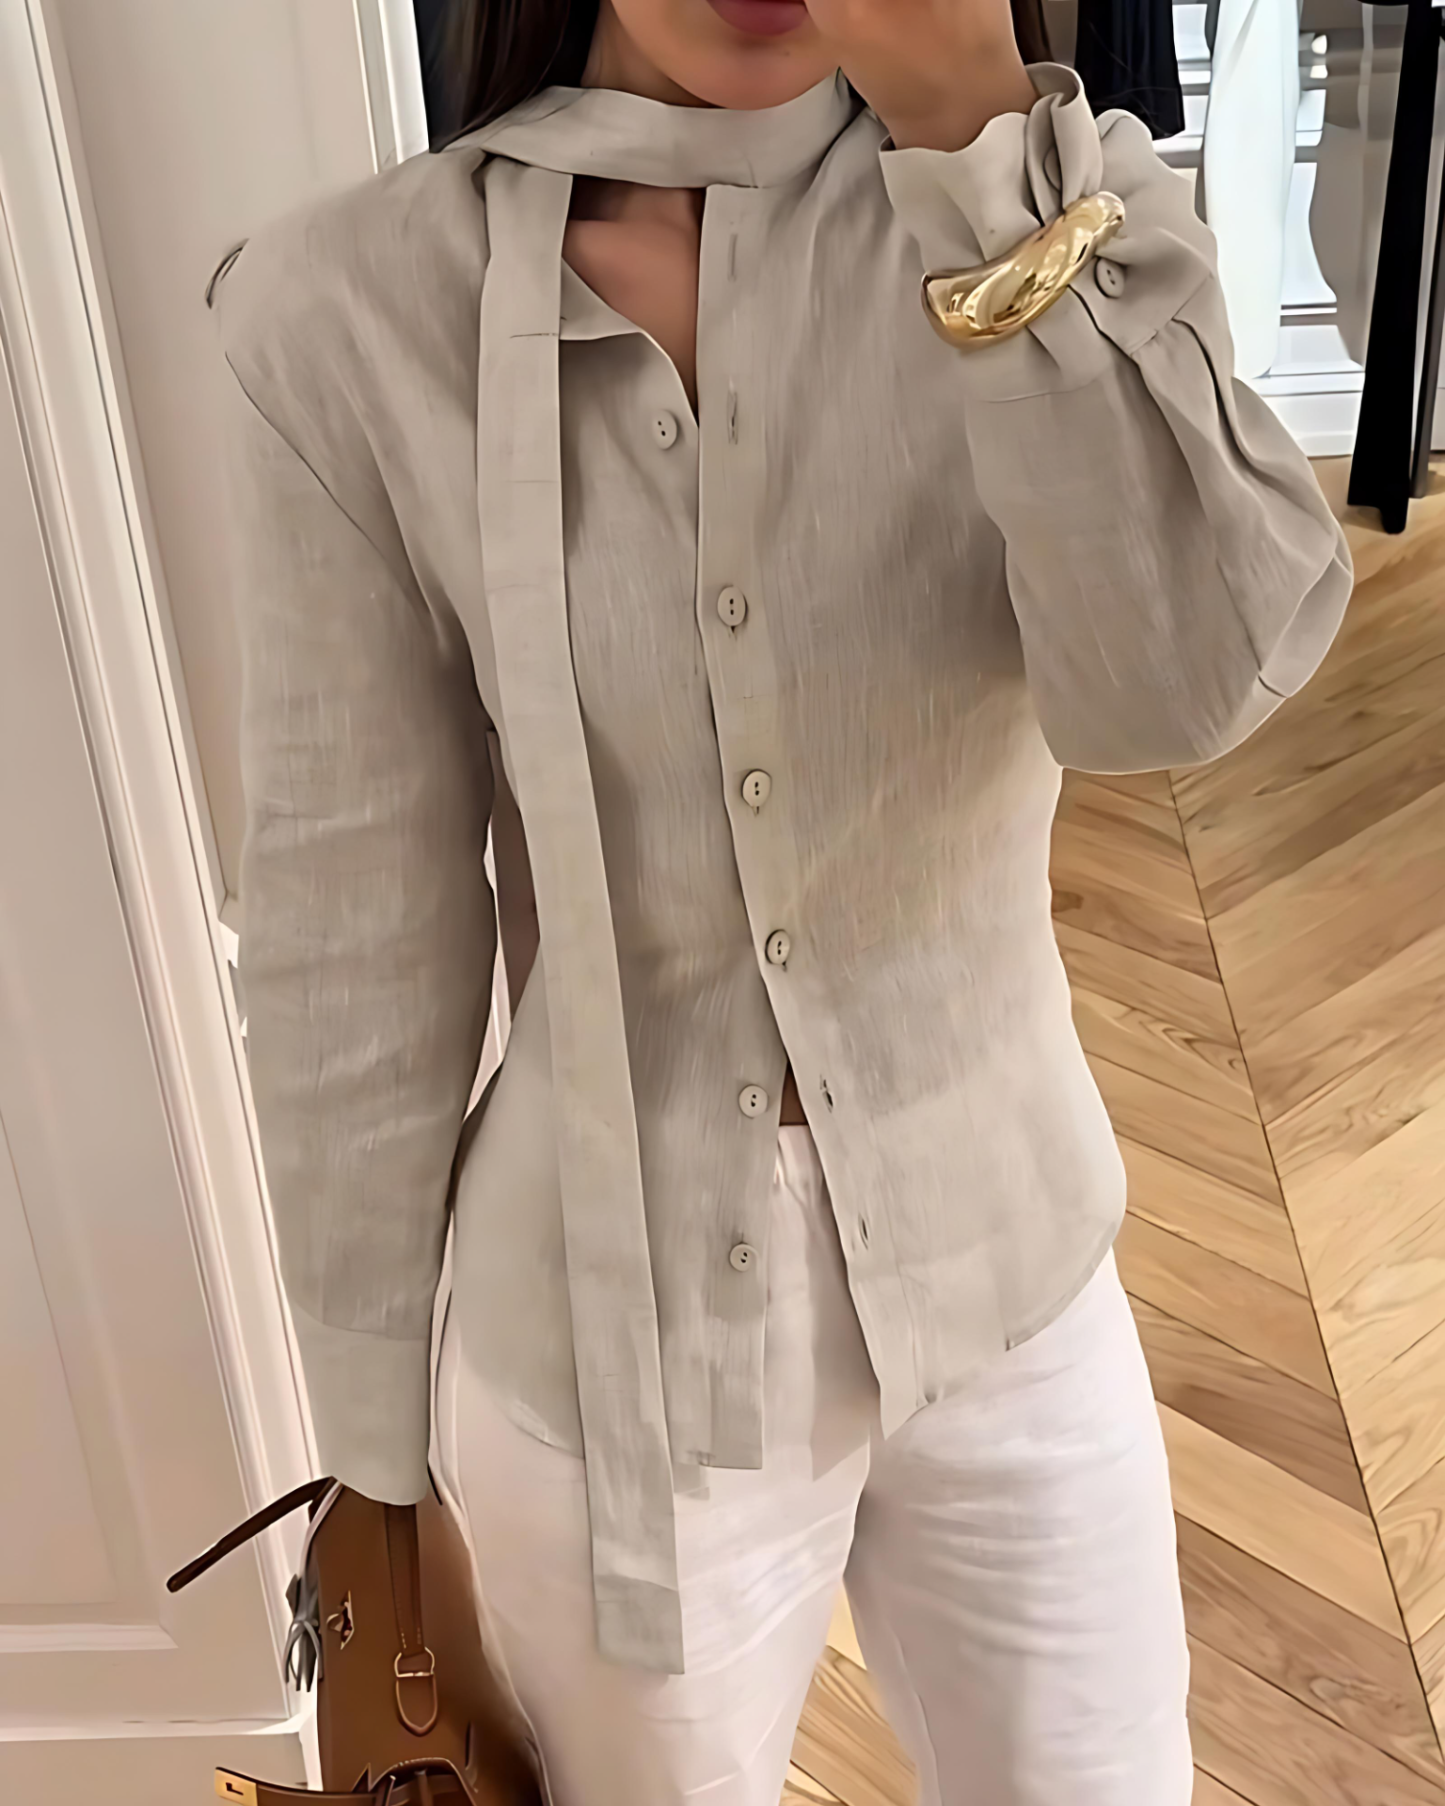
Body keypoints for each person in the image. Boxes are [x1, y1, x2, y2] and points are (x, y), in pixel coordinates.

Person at [209, 0, 1353, 1801]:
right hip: (607, 1365)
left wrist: (979, 141)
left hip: (1014, 1273)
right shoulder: (352, 308)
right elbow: (357, 930)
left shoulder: (1068, 211)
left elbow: (1185, 684)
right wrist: (374, 1465)